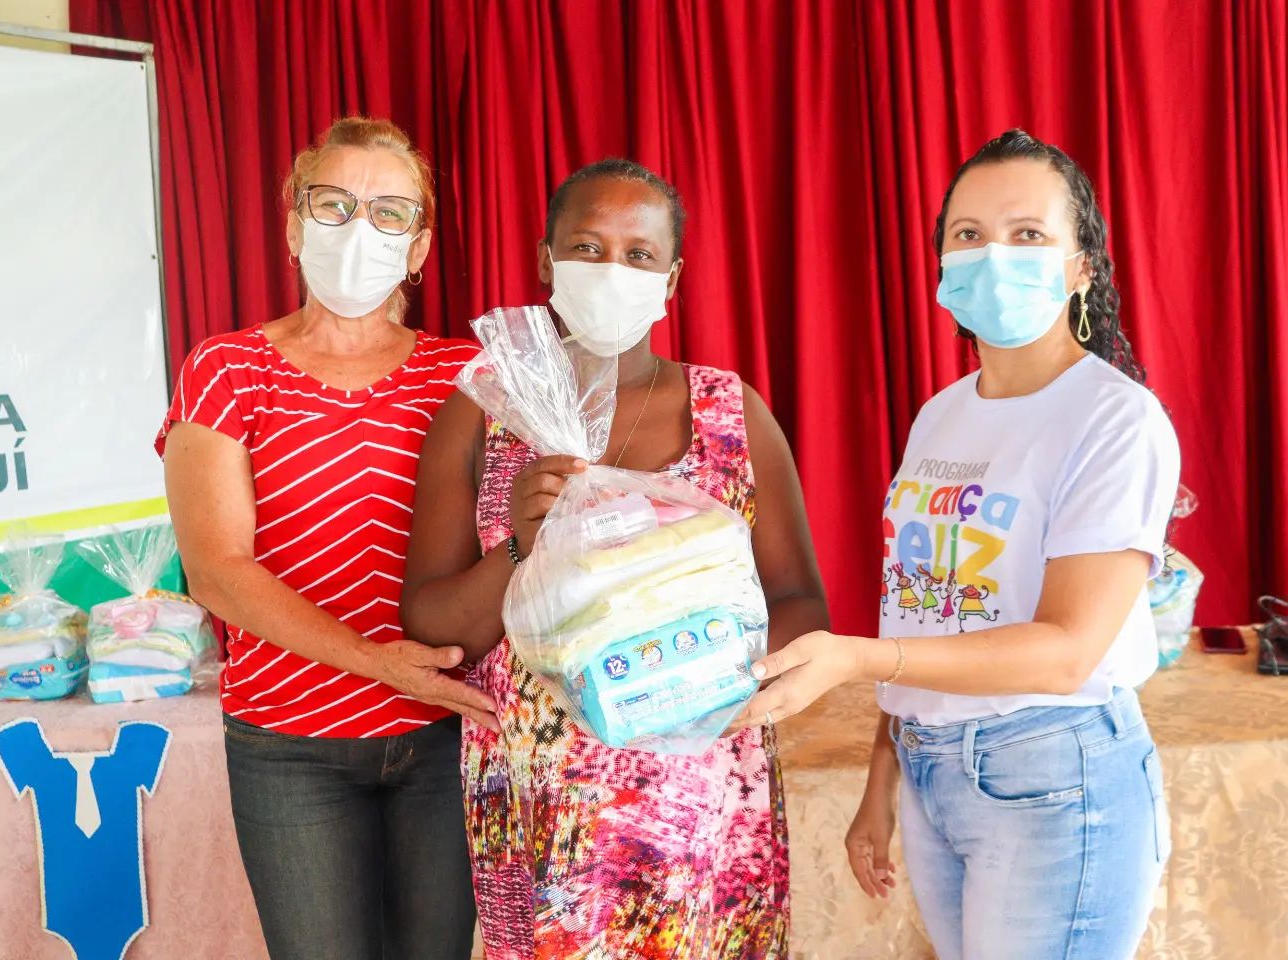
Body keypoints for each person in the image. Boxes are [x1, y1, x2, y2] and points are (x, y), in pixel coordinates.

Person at [731, 130, 1180, 960]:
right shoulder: (942, 414)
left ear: (1082, 266)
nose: (994, 256)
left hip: (1051, 774)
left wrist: (854, 660)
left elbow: (1065, 653)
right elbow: (925, 609)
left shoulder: (1115, 418)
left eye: (1028, 234)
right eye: (969, 234)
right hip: (932, 773)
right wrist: (884, 778)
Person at [401, 158, 829, 959]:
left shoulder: (728, 410)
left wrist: (692, 681)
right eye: (588, 248)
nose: (611, 271)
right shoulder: (482, 410)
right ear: (546, 261)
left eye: (638, 255)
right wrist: (522, 547)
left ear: (671, 279)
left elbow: (800, 600)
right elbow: (431, 624)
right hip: (542, 813)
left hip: (701, 807)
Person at [158, 117, 492, 960]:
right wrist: (377, 661)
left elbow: (507, 543)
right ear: (293, 227)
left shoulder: (467, 376)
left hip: (443, 736)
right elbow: (216, 571)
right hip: (289, 747)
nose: (358, 229)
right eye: (334, 203)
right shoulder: (227, 370)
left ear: (418, 248)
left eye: (389, 212)